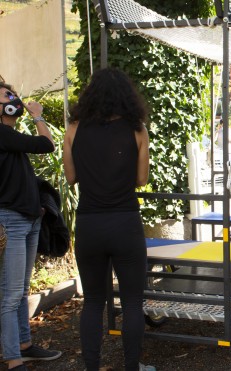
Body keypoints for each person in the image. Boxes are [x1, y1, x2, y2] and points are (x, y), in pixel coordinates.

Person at [63, 68, 154, 371]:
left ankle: (92, 367)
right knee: (131, 302)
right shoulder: (137, 129)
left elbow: (71, 176)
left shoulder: (74, 128)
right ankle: (132, 367)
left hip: (89, 224)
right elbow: (141, 179)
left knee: (92, 301)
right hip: (125, 222)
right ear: (127, 97)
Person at [0, 82, 62, 370]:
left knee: (21, 291)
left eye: (12, 95)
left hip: (28, 219)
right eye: (6, 97)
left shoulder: (9, 135)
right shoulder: (2, 134)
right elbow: (47, 144)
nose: (12, 100)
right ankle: (13, 359)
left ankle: (24, 345)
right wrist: (37, 115)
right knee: (11, 295)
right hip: (12, 222)